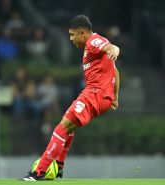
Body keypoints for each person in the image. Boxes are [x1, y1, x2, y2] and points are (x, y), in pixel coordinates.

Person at [22, 15, 120, 181]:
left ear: (82, 33)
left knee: (61, 128)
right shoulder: (95, 45)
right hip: (104, 97)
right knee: (69, 127)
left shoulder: (93, 42)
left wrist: (114, 49)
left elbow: (112, 48)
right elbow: (115, 72)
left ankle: (39, 173)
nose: (71, 38)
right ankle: (59, 167)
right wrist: (115, 97)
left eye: (72, 34)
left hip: (95, 94)